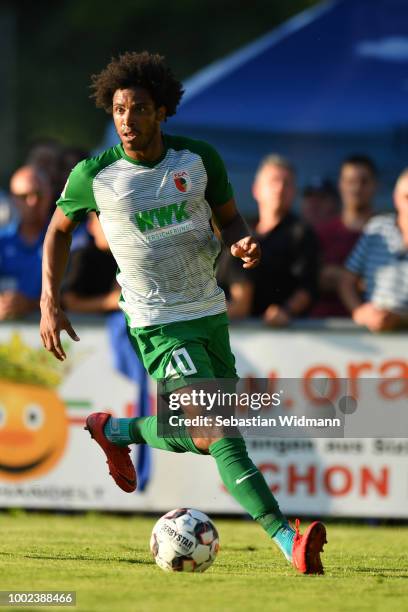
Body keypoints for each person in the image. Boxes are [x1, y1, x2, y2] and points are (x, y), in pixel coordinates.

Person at [40, 51, 326, 574]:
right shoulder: (95, 175)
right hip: (157, 323)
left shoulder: (197, 160)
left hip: (209, 314)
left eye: (139, 109)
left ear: (163, 111)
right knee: (218, 430)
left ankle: (117, 431)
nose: (127, 120)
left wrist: (243, 244)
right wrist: (49, 301)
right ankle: (288, 538)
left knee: (203, 433)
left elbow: (232, 219)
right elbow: (58, 231)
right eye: (120, 110)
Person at [221, 155, 319, 325]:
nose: (280, 188)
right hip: (233, 329)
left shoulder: (301, 233)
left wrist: (287, 310)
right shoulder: (239, 232)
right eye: (274, 181)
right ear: (256, 189)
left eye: (287, 183)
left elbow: (308, 286)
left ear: (294, 192)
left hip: (281, 332)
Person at [339, 168, 408, 331]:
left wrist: (400, 320)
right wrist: (359, 312)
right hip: (373, 337)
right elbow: (346, 281)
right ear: (396, 198)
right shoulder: (377, 229)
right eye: (407, 197)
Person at [311, 155, 377, 317]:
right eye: (350, 181)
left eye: (364, 181)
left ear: (375, 185)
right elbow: (312, 280)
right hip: (324, 328)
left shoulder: (388, 234)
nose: (356, 188)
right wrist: (358, 281)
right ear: (341, 185)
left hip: (381, 329)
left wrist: (337, 276)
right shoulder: (321, 233)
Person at [0, 166, 52, 320]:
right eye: (23, 196)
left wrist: (30, 304)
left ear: (50, 195)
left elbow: (73, 299)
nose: (32, 202)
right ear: (12, 199)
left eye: (39, 194)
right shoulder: (2, 241)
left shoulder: (70, 240)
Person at [62, 212, 120, 313]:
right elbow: (69, 302)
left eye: (94, 220)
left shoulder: (127, 257)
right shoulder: (82, 256)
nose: (90, 227)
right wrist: (113, 301)